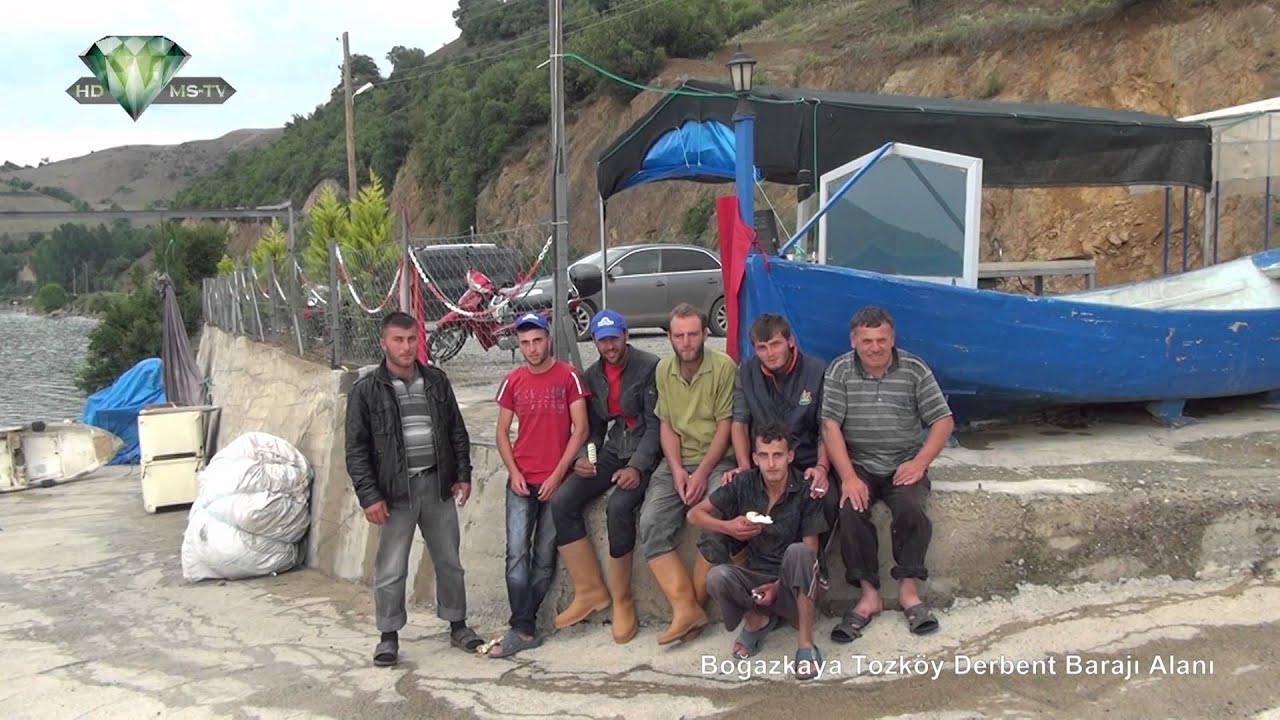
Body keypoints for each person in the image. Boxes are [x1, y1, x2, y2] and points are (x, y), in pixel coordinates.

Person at [345, 311, 484, 667]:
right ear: (384, 342)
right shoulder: (366, 391)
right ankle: (388, 636)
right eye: (398, 340)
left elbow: (456, 431)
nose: (406, 347)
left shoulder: (436, 381)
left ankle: (457, 625)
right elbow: (356, 450)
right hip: (395, 494)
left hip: (437, 485)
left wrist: (463, 475)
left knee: (450, 562)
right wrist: (370, 496)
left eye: (411, 339)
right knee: (391, 568)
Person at [820, 305, 954, 642]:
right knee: (850, 510)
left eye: (882, 340)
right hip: (860, 462)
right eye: (867, 341)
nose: (875, 347)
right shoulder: (839, 370)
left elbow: (943, 421)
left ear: (892, 338)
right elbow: (830, 426)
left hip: (903, 461)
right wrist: (848, 476)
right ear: (854, 341)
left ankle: (909, 592)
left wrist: (920, 462)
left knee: (911, 508)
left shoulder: (914, 368)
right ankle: (869, 595)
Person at [547, 309, 662, 644]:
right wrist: (588, 458)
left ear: (625, 335)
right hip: (612, 450)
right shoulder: (592, 375)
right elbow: (596, 430)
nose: (609, 345)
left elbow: (656, 427)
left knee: (618, 508)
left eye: (614, 337)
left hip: (645, 454)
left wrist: (637, 467)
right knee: (563, 500)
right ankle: (590, 591)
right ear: (594, 341)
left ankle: (623, 600)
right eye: (602, 339)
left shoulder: (649, 366)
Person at [688, 421, 828, 680]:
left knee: (798, 552)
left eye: (777, 455)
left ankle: (806, 644)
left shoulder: (804, 488)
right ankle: (756, 622)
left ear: (790, 456)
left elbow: (811, 551)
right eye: (764, 456)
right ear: (754, 458)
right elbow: (694, 514)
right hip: (756, 579)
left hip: (793, 582)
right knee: (717, 576)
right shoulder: (745, 483)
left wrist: (777, 585)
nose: (771, 464)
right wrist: (728, 526)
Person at [489, 311, 590, 658]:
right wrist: (513, 471)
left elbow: (581, 429)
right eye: (525, 343)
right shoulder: (512, 380)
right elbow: (501, 432)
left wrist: (558, 473)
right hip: (521, 479)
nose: (532, 349)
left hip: (555, 482)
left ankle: (521, 628)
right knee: (517, 552)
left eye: (537, 341)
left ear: (548, 339)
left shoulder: (569, 376)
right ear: (519, 345)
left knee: (544, 555)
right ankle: (524, 627)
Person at [636, 302, 738, 644]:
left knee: (712, 513)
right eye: (679, 335)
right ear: (669, 337)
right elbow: (666, 425)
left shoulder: (724, 367)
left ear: (705, 334)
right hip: (677, 461)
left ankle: (691, 609)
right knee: (650, 522)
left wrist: (700, 473)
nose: (686, 341)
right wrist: (678, 469)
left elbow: (726, 427)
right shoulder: (664, 369)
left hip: (716, 459)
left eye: (693, 334)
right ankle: (685, 608)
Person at [722, 313, 836, 579]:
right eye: (762, 347)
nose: (770, 353)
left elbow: (826, 428)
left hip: (805, 460)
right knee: (734, 496)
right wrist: (744, 467)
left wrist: (821, 468)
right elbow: (739, 422)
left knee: (826, 498)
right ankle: (750, 574)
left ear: (790, 341)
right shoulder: (746, 371)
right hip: (765, 462)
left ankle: (814, 571)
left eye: (775, 344)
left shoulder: (817, 370)